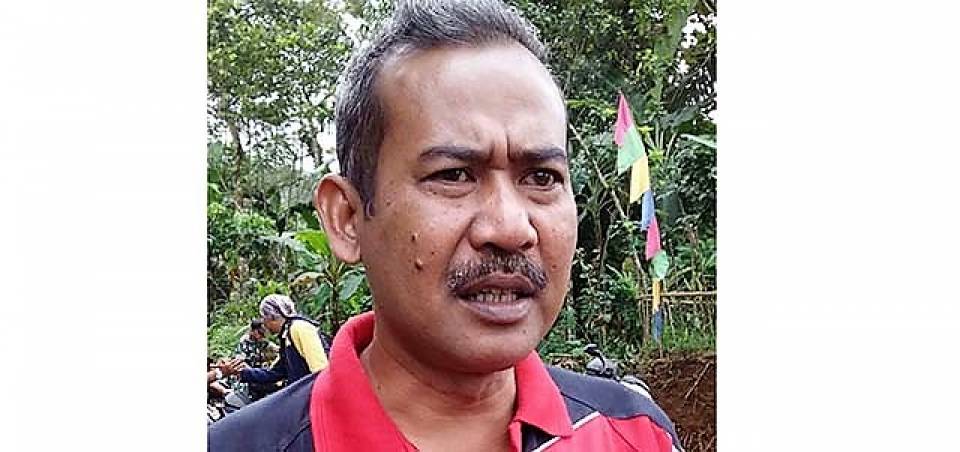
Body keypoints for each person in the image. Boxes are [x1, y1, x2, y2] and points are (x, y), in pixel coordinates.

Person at [210, 1, 682, 451]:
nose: (510, 228)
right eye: (454, 175)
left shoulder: (635, 436)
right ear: (348, 218)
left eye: (542, 178)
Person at [222, 295, 330, 390]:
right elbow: (274, 373)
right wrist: (242, 372)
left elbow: (320, 370)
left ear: (272, 317)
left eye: (264, 318)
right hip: (299, 392)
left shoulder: (300, 328)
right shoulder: (286, 335)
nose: (264, 323)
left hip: (311, 393)